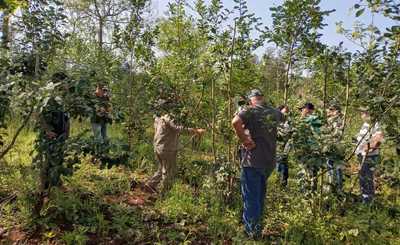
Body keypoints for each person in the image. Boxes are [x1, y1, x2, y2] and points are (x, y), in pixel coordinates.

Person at [232, 89, 283, 239]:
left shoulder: (250, 111)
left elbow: (235, 122)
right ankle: (257, 226)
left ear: (250, 100)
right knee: (259, 194)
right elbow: (285, 119)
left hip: (252, 161)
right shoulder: (274, 112)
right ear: (262, 98)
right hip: (269, 161)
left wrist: (245, 140)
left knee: (251, 196)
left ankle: (252, 233)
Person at [146, 98, 205, 194]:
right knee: (169, 172)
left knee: (162, 168)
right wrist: (196, 131)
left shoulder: (159, 118)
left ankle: (150, 185)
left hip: (158, 147)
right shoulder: (169, 117)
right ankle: (164, 193)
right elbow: (177, 128)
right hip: (166, 148)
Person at [37, 72, 71, 192]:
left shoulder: (64, 98)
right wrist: (47, 131)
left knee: (59, 159)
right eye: (65, 82)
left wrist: (67, 131)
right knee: (49, 160)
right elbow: (39, 115)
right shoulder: (48, 97)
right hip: (51, 134)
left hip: (61, 134)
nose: (67, 85)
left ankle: (56, 183)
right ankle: (44, 187)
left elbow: (67, 116)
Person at [355, 108, 384, 203]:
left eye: (363, 113)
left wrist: (365, 147)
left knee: (367, 178)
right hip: (362, 156)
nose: (361, 115)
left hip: (369, 156)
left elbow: (378, 140)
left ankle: (368, 201)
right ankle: (365, 197)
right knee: (362, 177)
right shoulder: (365, 125)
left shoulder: (376, 125)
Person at [297, 102, 322, 192]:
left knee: (310, 170)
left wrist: (302, 118)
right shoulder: (311, 119)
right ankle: (307, 190)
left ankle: (310, 190)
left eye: (302, 109)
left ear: (307, 109)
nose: (301, 112)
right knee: (307, 170)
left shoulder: (313, 119)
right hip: (306, 148)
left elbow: (301, 126)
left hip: (310, 149)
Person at [324, 102, 345, 193]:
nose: (327, 111)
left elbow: (336, 135)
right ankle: (334, 188)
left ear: (335, 111)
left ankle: (335, 190)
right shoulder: (333, 120)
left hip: (334, 149)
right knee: (334, 169)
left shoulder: (337, 121)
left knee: (335, 169)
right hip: (333, 148)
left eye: (330, 110)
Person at [276, 105, 292, 187]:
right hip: (276, 149)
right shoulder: (276, 122)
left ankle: (283, 183)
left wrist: (286, 151)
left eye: (287, 112)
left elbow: (290, 137)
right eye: (285, 112)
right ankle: (277, 182)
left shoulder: (289, 123)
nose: (287, 114)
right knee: (278, 166)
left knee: (283, 165)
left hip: (284, 149)